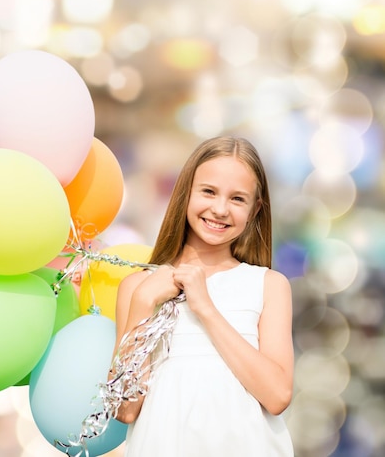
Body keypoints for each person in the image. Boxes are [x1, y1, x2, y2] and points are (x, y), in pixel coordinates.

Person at [113, 136, 294, 456]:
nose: (220, 209)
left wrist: (206, 308)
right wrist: (143, 304)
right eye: (208, 192)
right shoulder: (139, 288)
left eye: (238, 199)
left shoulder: (268, 285)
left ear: (255, 210)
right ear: (185, 194)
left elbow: (278, 395)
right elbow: (125, 410)